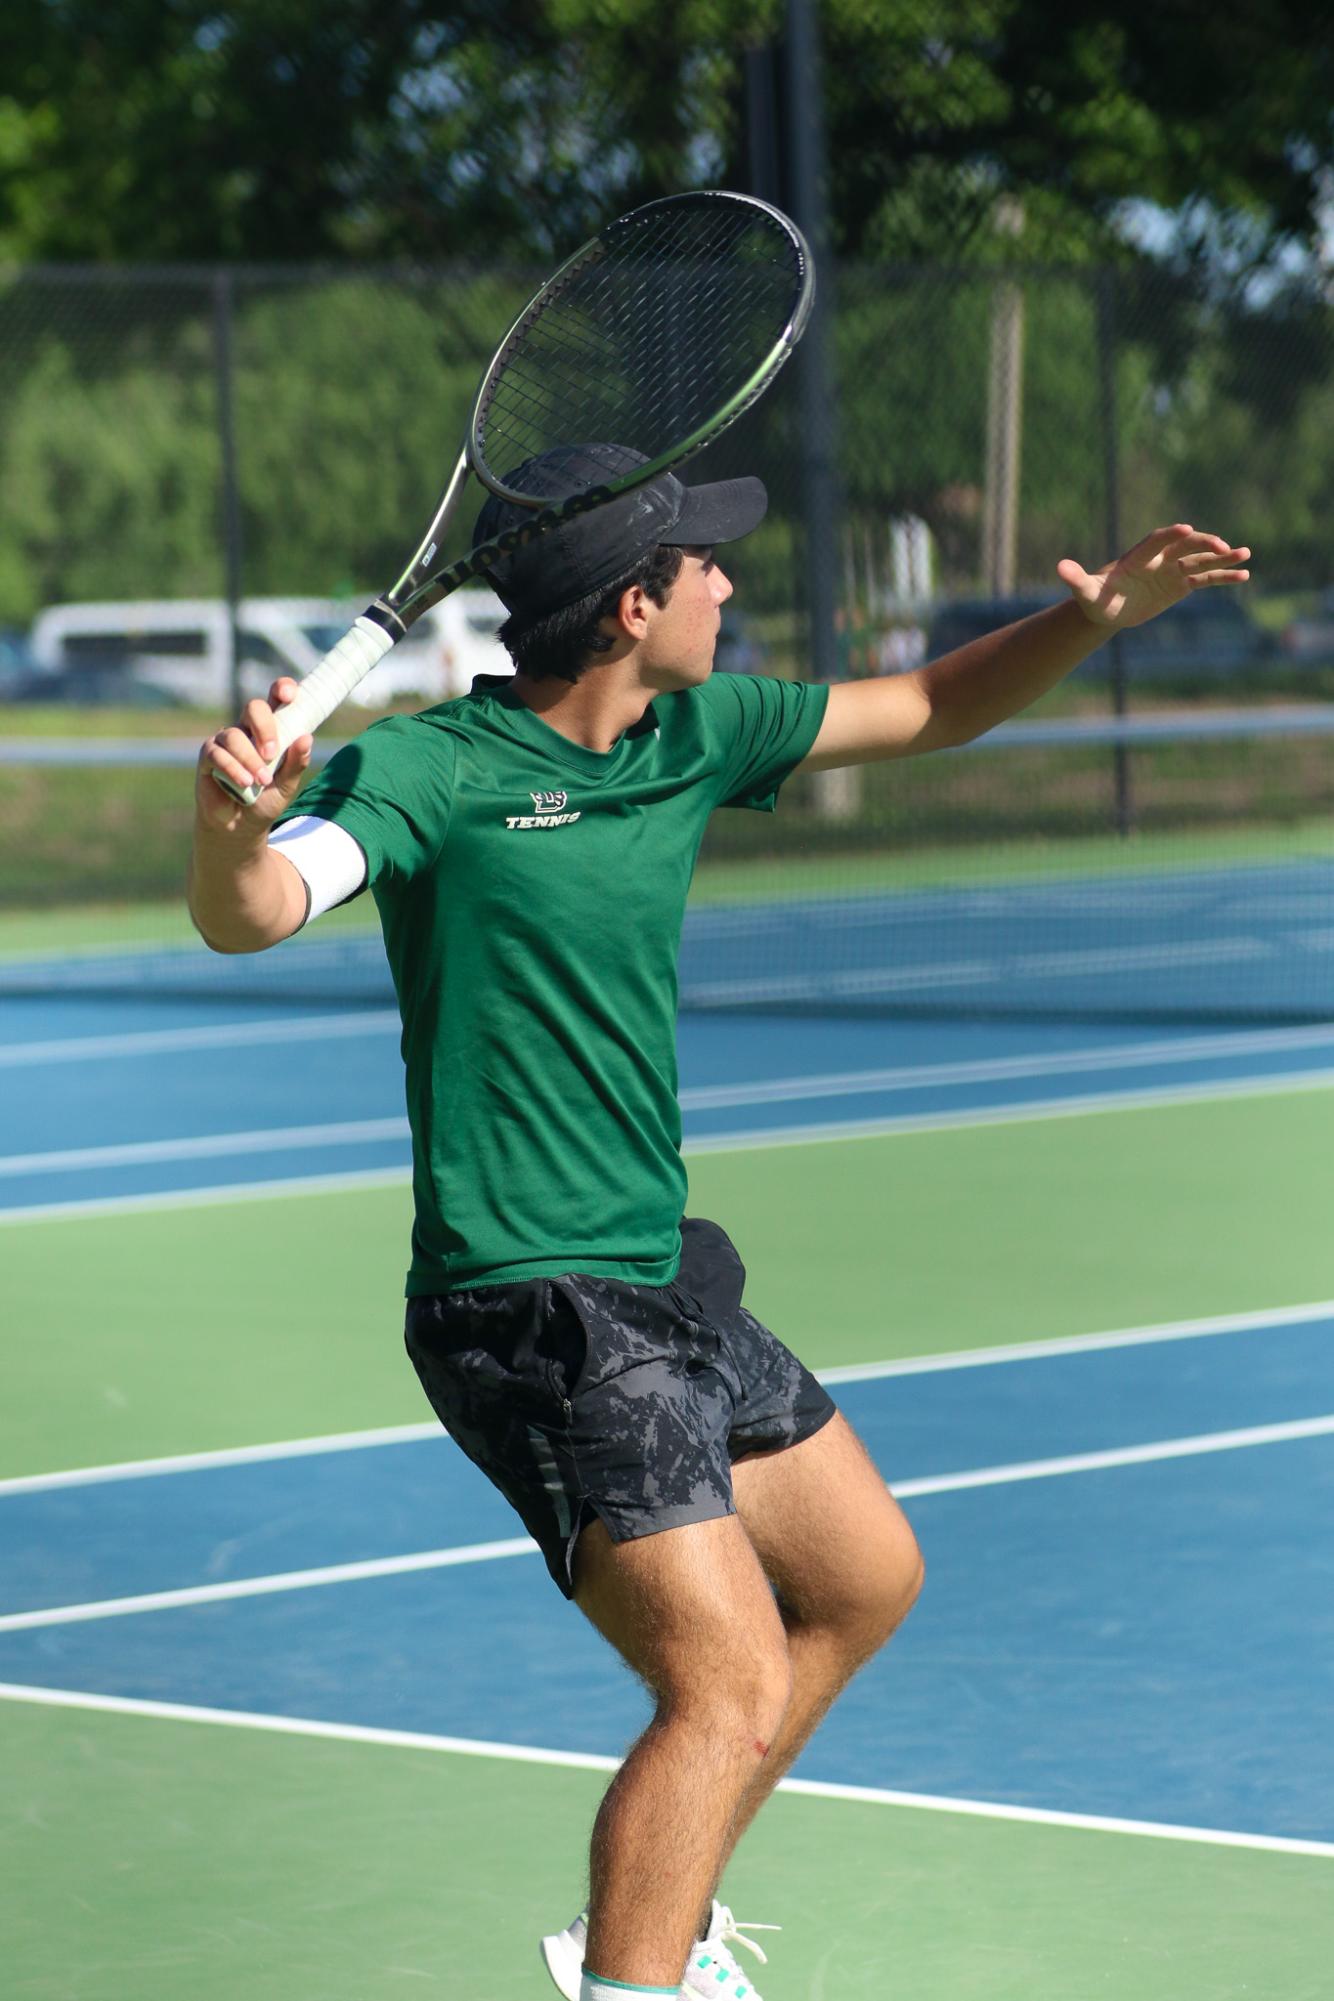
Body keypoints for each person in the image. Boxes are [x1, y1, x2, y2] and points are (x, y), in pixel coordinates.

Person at [188, 442, 1250, 2001]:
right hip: (526, 1305)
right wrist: (232, 821)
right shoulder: (427, 771)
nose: (730, 584)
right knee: (726, 1678)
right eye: (705, 566)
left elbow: (930, 706)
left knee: (864, 1579)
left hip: (659, 1273)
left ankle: (649, 1931)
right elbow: (256, 908)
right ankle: (635, 1977)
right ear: (633, 605)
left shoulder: (699, 732)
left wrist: (1088, 618)